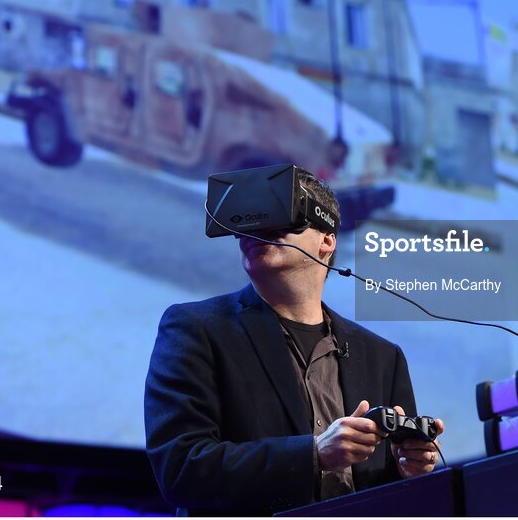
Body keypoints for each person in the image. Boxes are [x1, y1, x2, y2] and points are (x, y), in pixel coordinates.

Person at [144, 169, 444, 515]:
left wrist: (411, 471)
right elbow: (181, 469)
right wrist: (314, 453)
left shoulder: (382, 357)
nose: (256, 231)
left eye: (277, 217)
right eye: (248, 224)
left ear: (327, 240)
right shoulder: (197, 329)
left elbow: (396, 496)